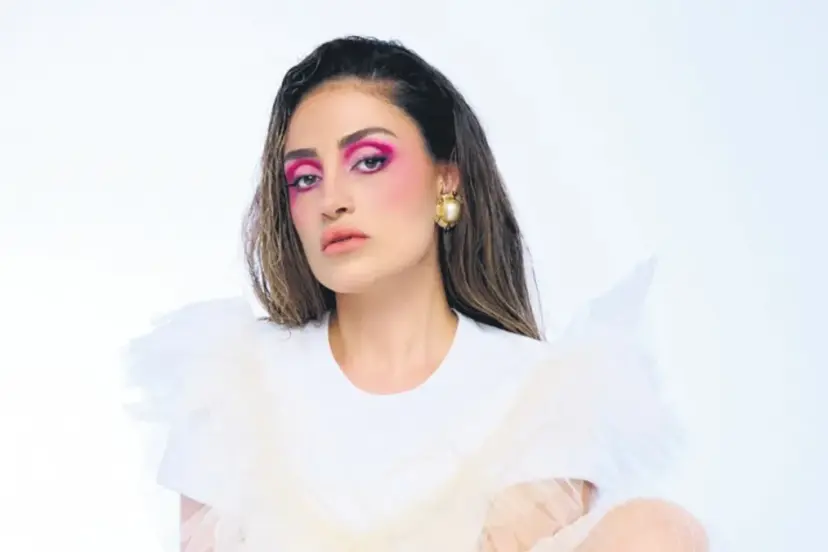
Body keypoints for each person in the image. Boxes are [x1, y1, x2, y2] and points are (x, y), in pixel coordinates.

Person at [127, 36, 707, 551]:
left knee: (658, 531)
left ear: (446, 179)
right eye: (305, 177)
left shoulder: (542, 395)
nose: (332, 200)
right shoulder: (233, 383)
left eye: (368, 161)